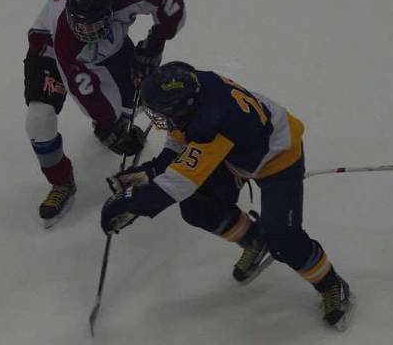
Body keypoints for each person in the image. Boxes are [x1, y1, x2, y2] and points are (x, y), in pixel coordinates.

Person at [102, 61, 355, 330]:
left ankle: (331, 283)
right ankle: (255, 240)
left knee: (284, 240)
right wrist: (152, 170)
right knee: (197, 209)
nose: (159, 119)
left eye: (163, 112)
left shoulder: (213, 122)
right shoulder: (193, 86)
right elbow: (182, 140)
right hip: (237, 151)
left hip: (278, 157)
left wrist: (134, 202)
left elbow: (181, 181)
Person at [24, 0, 186, 227]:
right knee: (39, 119)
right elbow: (82, 88)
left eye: (94, 26)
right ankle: (60, 181)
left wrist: (155, 43)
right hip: (51, 52)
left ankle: (110, 124)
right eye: (82, 26)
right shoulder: (69, 39)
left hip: (111, 46)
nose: (88, 33)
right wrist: (108, 123)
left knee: (136, 99)